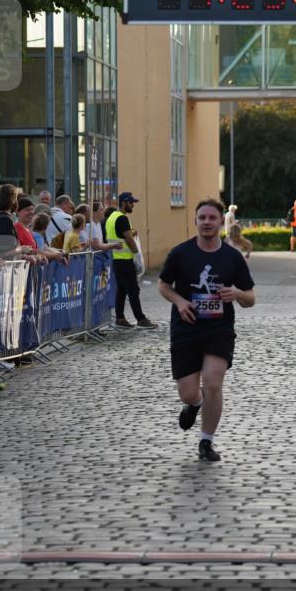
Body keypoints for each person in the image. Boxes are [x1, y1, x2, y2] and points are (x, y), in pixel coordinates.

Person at [158, 198, 255, 462]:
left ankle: (206, 441)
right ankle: (195, 403)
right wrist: (179, 301)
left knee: (213, 383)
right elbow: (163, 285)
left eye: (212, 218)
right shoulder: (181, 253)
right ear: (196, 221)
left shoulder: (232, 257)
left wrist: (236, 293)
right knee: (188, 392)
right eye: (202, 218)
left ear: (220, 222)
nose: (207, 222)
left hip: (219, 329)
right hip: (186, 329)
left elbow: (250, 298)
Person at [106, 192, 157, 329]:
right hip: (125, 260)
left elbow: (118, 235)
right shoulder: (122, 218)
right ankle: (141, 319)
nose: (133, 205)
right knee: (133, 290)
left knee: (121, 290)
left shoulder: (111, 217)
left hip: (116, 260)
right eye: (131, 202)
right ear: (124, 202)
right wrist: (137, 254)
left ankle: (120, 318)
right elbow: (128, 239)